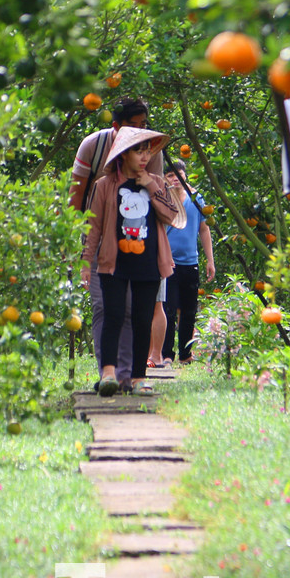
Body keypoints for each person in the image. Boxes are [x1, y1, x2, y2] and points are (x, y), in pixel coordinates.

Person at [69, 99, 163, 387]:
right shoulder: (93, 146)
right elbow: (77, 197)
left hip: (138, 245)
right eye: (132, 127)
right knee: (106, 308)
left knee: (134, 309)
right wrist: (78, 248)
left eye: (143, 126)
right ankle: (108, 373)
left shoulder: (151, 151)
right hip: (99, 239)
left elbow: (160, 203)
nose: (139, 133)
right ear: (116, 127)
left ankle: (127, 376)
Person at [81, 127, 180, 396]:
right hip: (114, 262)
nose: (145, 156)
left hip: (148, 264)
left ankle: (138, 377)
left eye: (147, 150)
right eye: (138, 150)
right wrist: (85, 261)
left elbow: (172, 216)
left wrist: (149, 184)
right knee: (112, 316)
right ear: (124, 154)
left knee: (141, 319)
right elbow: (94, 226)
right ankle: (109, 374)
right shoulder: (105, 185)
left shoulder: (157, 183)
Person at [159, 159, 214, 364]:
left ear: (185, 176)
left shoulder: (196, 198)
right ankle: (166, 355)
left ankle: (185, 355)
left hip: (190, 262)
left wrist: (210, 260)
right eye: (170, 175)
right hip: (167, 264)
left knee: (189, 311)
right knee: (168, 310)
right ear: (165, 178)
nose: (175, 179)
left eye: (178, 174)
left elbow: (204, 229)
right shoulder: (162, 199)